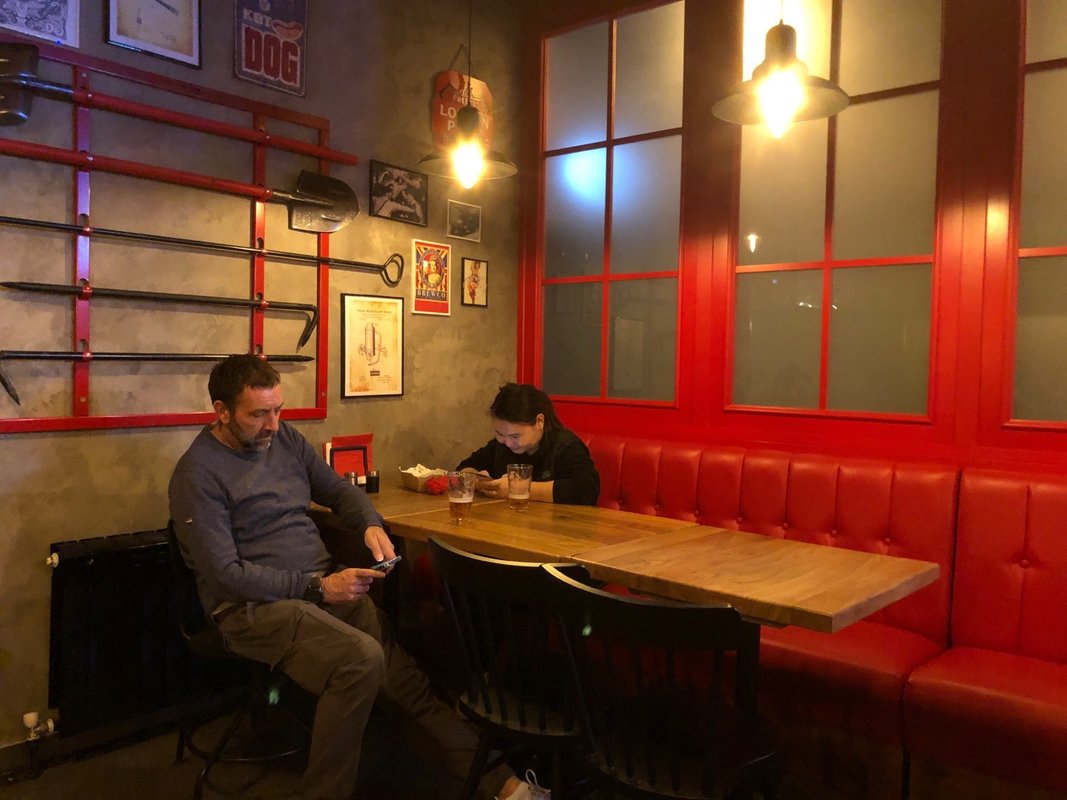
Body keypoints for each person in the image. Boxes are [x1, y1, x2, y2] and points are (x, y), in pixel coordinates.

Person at [168, 355, 545, 800]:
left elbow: (337, 490)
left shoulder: (285, 439)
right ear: (221, 411)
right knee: (361, 659)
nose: (273, 424)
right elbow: (226, 576)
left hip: (320, 588)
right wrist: (317, 586)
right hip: (250, 608)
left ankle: (501, 785)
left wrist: (369, 524)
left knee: (402, 677)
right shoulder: (197, 474)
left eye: (278, 410)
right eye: (258, 414)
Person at [457, 383, 600, 505]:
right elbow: (464, 468)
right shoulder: (502, 445)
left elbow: (587, 489)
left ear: (539, 422)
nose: (508, 443)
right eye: (500, 434)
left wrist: (518, 488)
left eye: (515, 436)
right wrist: (477, 481)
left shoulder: (565, 446)